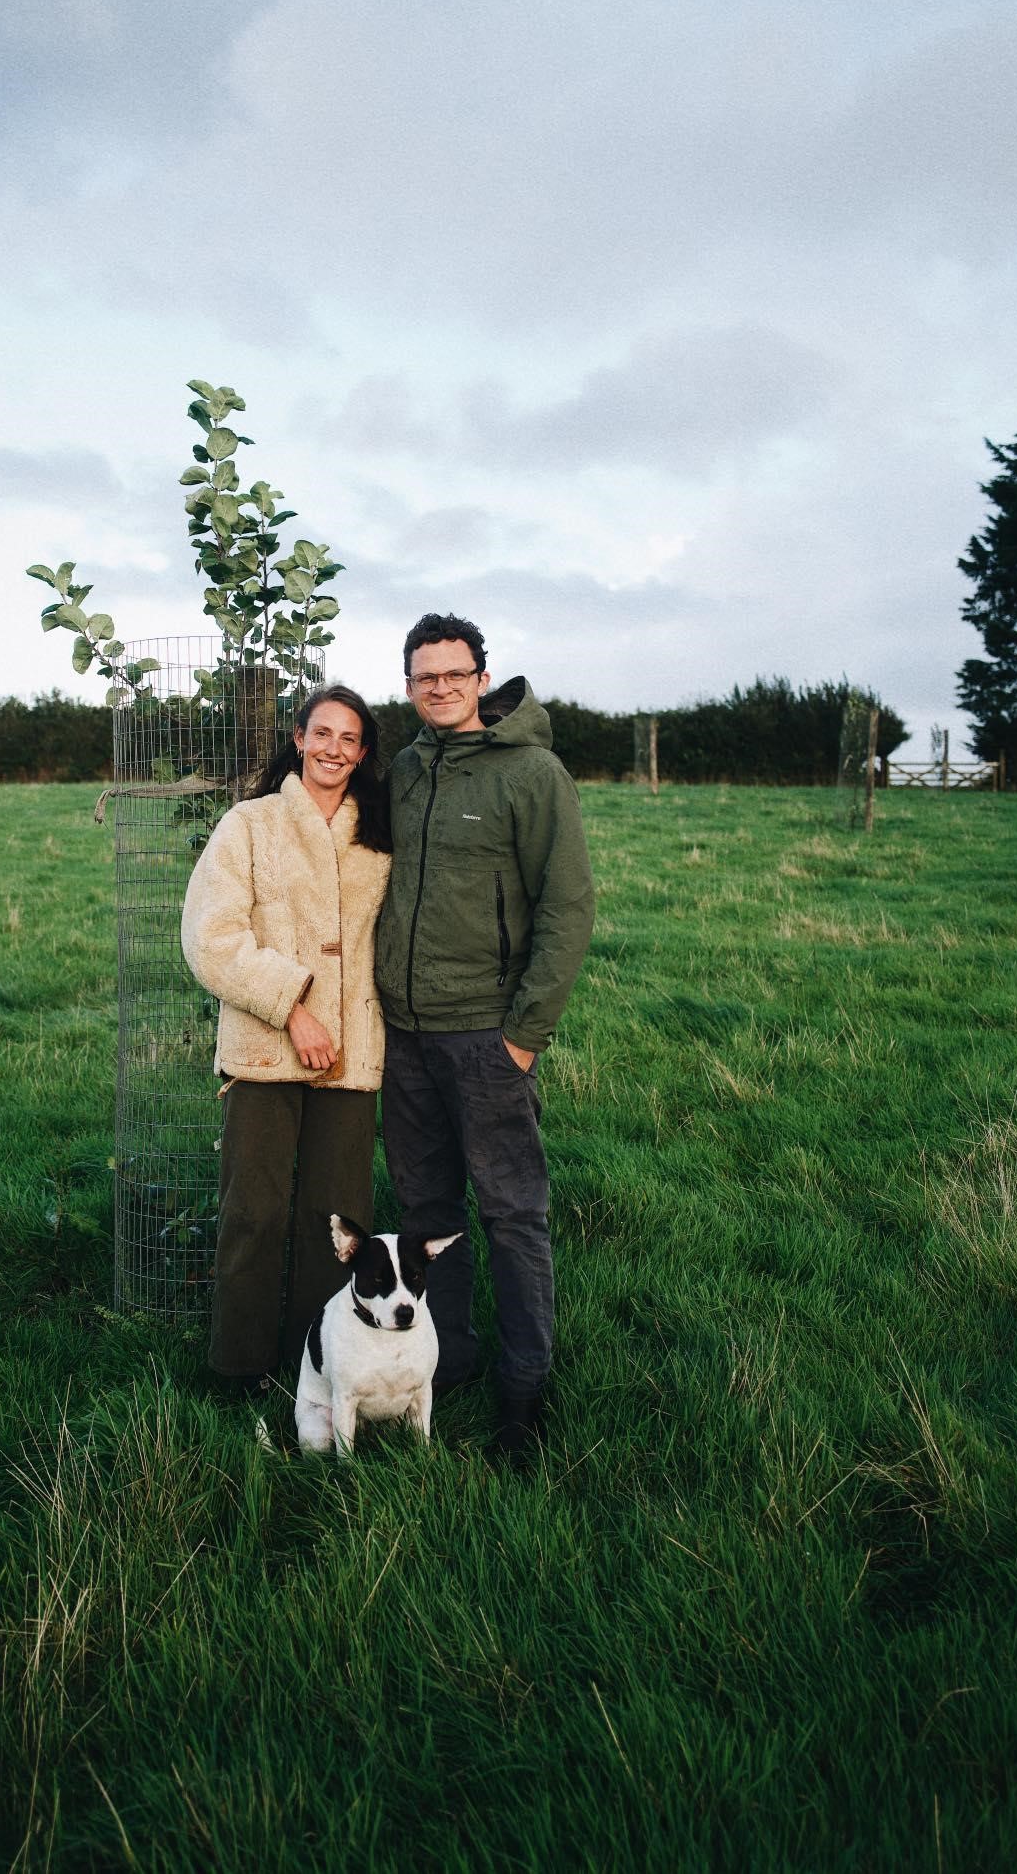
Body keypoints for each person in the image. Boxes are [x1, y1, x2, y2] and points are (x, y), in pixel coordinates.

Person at [374, 614, 595, 1458]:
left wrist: (524, 1035)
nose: (440, 688)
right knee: (428, 1213)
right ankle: (451, 1359)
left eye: (454, 674)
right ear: (409, 686)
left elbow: (567, 907)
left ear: (481, 678)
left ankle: (524, 1391)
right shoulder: (405, 769)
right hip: (405, 1036)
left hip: (486, 1037)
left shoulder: (533, 774)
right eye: (424, 676)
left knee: (511, 1216)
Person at [181, 685, 391, 1390]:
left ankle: (319, 1369)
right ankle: (238, 1371)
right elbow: (210, 939)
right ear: (298, 738)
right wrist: (293, 1008)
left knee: (337, 1224)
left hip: (352, 1054)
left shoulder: (379, 836)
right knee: (253, 1212)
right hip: (265, 1048)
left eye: (349, 739)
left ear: (362, 753)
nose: (333, 748)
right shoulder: (249, 824)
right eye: (321, 733)